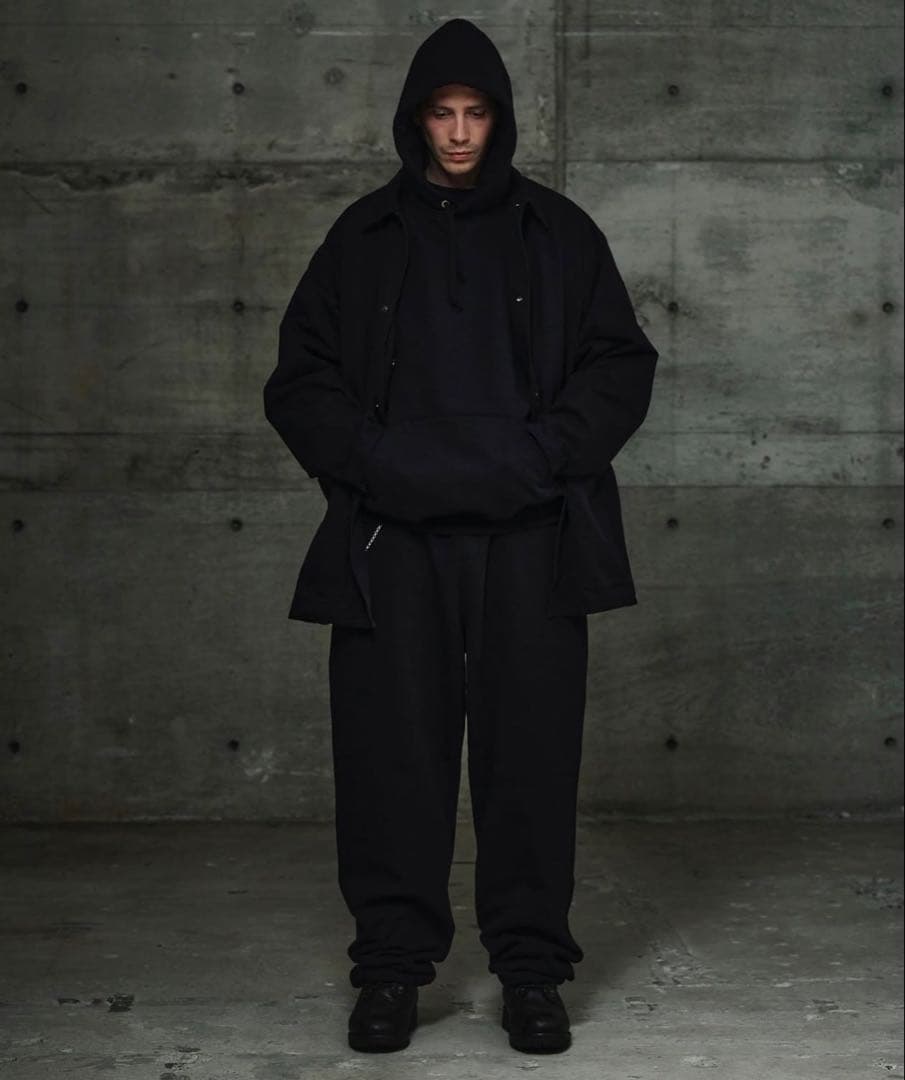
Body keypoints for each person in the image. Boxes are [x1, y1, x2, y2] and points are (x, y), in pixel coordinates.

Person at [263, 17, 659, 1056]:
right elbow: (299, 379)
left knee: (529, 762)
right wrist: (375, 462)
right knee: (390, 760)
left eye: (475, 113)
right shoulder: (361, 237)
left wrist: (538, 459)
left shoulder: (561, 234)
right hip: (391, 541)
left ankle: (531, 974)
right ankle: (391, 973)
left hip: (532, 538)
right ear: (413, 119)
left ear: (500, 119)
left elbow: (619, 366)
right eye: (439, 113)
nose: (456, 134)